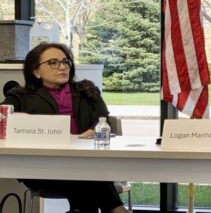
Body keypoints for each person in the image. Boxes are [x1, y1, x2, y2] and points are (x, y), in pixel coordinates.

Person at [2, 43, 129, 213]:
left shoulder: (87, 90)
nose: (62, 67)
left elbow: (102, 117)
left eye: (65, 62)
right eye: (53, 62)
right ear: (36, 71)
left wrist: (90, 132)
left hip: (84, 161)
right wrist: (21, 119)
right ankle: (117, 209)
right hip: (40, 167)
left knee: (83, 173)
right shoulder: (21, 96)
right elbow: (3, 116)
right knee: (87, 176)